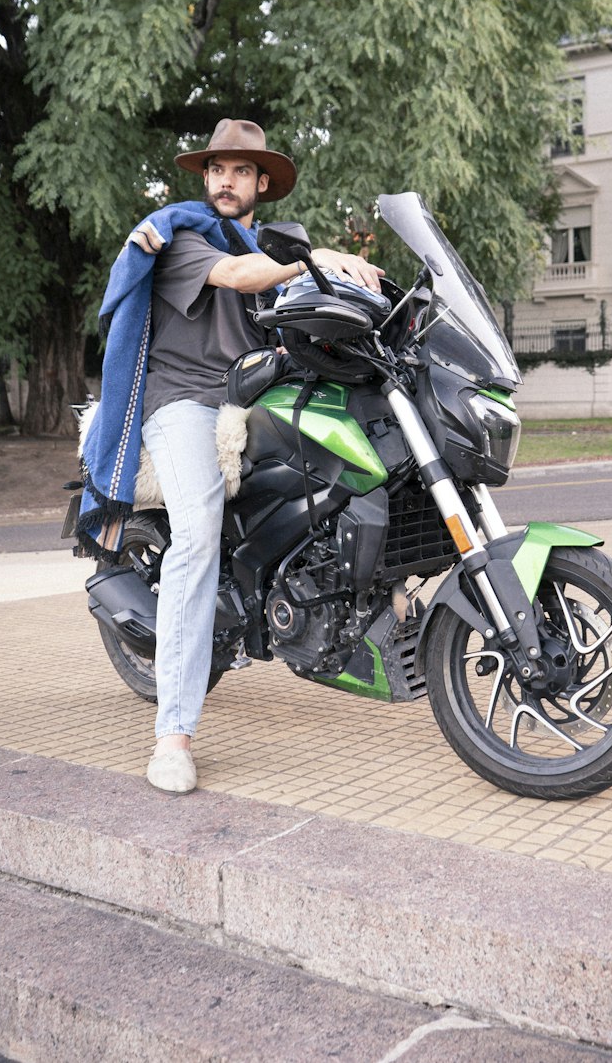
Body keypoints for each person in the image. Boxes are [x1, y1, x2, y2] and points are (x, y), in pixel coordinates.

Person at [77, 119, 383, 794]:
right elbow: (241, 275)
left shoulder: (262, 246)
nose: (225, 179)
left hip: (245, 398)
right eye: (217, 167)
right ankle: (174, 734)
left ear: (261, 183)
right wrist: (318, 256)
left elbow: (294, 304)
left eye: (242, 170)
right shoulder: (185, 237)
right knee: (196, 531)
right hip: (182, 402)